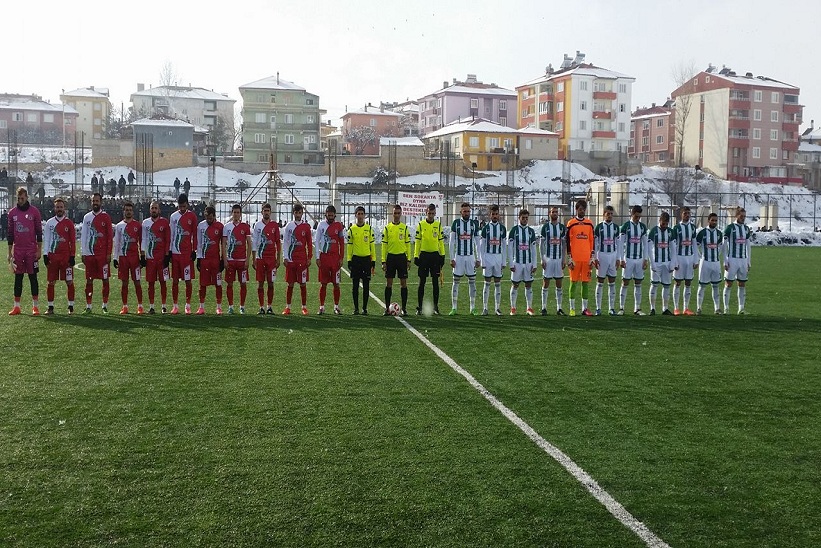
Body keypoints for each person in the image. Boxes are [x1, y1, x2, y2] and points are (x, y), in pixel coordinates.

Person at [7, 187, 43, 315]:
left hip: (31, 250)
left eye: (22, 198)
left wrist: (39, 250)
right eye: (18, 198)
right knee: (18, 277)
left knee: (33, 277)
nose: (20, 200)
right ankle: (17, 306)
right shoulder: (12, 213)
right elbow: (10, 233)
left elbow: (39, 232)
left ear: (27, 197)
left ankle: (35, 306)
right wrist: (9, 252)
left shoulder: (34, 212)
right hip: (18, 250)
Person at [80, 192, 113, 313]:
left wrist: (109, 253)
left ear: (101, 202)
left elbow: (110, 236)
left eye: (97, 201)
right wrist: (83, 252)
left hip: (102, 255)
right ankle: (89, 306)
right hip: (89, 254)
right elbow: (83, 236)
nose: (95, 203)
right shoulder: (87, 217)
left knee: (105, 280)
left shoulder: (106, 217)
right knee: (89, 280)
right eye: (93, 201)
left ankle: (104, 305)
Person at [43, 198, 76, 314]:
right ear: (54, 208)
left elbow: (72, 241)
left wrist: (72, 256)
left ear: (64, 208)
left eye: (61, 207)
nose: (59, 209)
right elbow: (46, 239)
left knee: (69, 281)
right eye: (57, 207)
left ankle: (71, 307)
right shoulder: (49, 223)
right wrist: (45, 254)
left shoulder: (69, 223)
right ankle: (50, 307)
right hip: (53, 257)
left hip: (66, 257)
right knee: (51, 282)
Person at [448, 202, 481, 315]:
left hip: (470, 257)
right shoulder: (456, 223)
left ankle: (472, 308)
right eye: (464, 211)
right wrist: (452, 258)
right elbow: (451, 242)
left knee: (472, 282)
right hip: (459, 257)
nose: (467, 213)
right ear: (460, 212)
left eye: (468, 211)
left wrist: (478, 258)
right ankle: (454, 308)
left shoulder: (474, 224)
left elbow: (477, 243)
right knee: (455, 282)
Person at [168, 193, 198, 315]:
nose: (182, 208)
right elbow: (171, 234)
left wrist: (194, 250)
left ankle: (188, 305)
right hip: (175, 253)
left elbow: (195, 235)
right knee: (175, 280)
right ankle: (175, 305)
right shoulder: (173, 216)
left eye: (184, 206)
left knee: (188, 280)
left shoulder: (192, 216)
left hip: (187, 254)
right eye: (180, 206)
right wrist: (169, 251)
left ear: (187, 204)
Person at [113, 201, 144, 314]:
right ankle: (125, 306)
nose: (128, 212)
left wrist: (142, 256)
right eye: (126, 210)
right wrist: (115, 258)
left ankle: (140, 306)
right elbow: (116, 243)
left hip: (134, 258)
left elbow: (141, 242)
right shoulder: (119, 226)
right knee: (124, 283)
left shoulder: (137, 226)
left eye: (130, 210)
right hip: (123, 258)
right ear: (123, 211)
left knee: (137, 282)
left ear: (133, 212)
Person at [414, 203, 445, 315]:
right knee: (422, 281)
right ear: (426, 212)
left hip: (435, 257)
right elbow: (417, 241)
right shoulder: (421, 225)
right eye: (429, 213)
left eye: (432, 213)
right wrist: (416, 255)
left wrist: (443, 255)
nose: (431, 215)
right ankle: (420, 307)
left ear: (435, 213)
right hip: (424, 256)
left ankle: (435, 307)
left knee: (435, 282)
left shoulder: (438, 225)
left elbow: (441, 241)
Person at [380, 204, 411, 316]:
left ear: (401, 214)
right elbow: (384, 245)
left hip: (402, 258)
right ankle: (387, 309)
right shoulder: (388, 228)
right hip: (391, 258)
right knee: (389, 283)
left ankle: (404, 309)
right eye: (395, 213)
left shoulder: (405, 228)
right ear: (392, 214)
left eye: (398, 213)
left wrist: (409, 259)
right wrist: (383, 261)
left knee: (403, 283)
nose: (397, 215)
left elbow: (408, 244)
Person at [282, 203, 313, 315]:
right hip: (291, 259)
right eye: (296, 212)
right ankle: (288, 307)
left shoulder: (306, 227)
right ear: (293, 213)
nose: (298, 214)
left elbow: (309, 243)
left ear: (302, 213)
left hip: (302, 260)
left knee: (302, 284)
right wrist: (285, 257)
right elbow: (285, 242)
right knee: (290, 284)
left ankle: (304, 307)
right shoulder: (289, 226)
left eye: (299, 213)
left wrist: (309, 257)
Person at [565, 200, 595, 316]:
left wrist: (592, 257)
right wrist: (569, 257)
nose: (582, 211)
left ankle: (585, 308)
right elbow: (568, 241)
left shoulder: (589, 223)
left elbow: (592, 241)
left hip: (586, 259)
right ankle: (572, 308)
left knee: (585, 283)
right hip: (575, 259)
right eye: (580, 209)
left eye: (583, 209)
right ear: (576, 209)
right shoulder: (571, 223)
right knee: (573, 283)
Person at [251, 202, 281, 315]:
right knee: (260, 283)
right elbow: (254, 242)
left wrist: (278, 258)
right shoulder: (258, 225)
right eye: (265, 211)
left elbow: (278, 242)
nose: (266, 212)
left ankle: (269, 306)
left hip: (271, 259)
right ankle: (261, 307)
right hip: (260, 258)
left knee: (271, 283)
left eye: (268, 211)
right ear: (261, 212)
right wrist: (253, 258)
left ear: (270, 212)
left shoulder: (275, 226)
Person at [619, 205, 649, 315]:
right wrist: (621, 259)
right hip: (628, 259)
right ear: (632, 214)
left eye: (639, 217)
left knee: (638, 283)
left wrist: (645, 259)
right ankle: (621, 308)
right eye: (636, 216)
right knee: (625, 282)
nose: (638, 219)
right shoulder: (626, 226)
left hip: (639, 259)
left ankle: (637, 308)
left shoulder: (642, 227)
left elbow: (645, 245)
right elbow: (621, 244)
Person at [141, 200, 170, 314]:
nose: (154, 210)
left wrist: (167, 255)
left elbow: (167, 240)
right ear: (150, 210)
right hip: (150, 257)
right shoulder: (145, 223)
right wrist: (142, 254)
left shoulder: (164, 222)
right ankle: (152, 306)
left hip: (162, 257)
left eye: (155, 208)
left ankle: (163, 306)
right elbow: (143, 239)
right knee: (151, 283)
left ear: (159, 210)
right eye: (152, 208)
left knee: (163, 282)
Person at [315, 204, 345, 315]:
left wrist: (341, 257)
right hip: (324, 258)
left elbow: (342, 243)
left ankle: (336, 306)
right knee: (323, 284)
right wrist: (318, 257)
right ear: (326, 214)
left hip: (335, 258)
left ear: (334, 215)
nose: (330, 216)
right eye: (329, 214)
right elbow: (316, 241)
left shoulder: (339, 226)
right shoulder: (321, 225)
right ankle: (321, 307)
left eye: (332, 215)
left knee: (336, 284)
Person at [222, 203, 251, 314]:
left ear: (240, 214)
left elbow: (249, 244)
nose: (236, 214)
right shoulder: (227, 227)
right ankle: (230, 306)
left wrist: (247, 259)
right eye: (234, 212)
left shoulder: (245, 227)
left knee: (243, 283)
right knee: (229, 283)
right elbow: (223, 244)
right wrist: (225, 259)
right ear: (232, 213)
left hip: (242, 260)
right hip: (230, 260)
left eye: (238, 212)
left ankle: (242, 307)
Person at [478, 204, 506, 316]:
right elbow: (481, 245)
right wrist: (482, 260)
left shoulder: (502, 228)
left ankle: (497, 308)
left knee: (498, 283)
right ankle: (485, 308)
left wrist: (504, 261)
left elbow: (504, 246)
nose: (495, 216)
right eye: (493, 214)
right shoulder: (486, 228)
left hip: (498, 257)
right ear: (489, 215)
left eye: (496, 214)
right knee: (487, 283)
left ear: (499, 215)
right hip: (488, 257)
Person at [508, 208, 537, 315]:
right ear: (519, 218)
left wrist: (534, 264)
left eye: (526, 218)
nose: (525, 220)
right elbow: (510, 248)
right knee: (515, 285)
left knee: (528, 285)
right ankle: (513, 308)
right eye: (523, 218)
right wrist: (511, 263)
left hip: (528, 263)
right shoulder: (514, 230)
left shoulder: (531, 231)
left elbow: (533, 249)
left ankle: (529, 308)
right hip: (517, 263)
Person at [347, 205, 376, 315]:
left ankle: (364, 308)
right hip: (356, 260)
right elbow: (349, 246)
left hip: (366, 260)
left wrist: (373, 260)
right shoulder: (351, 230)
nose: (360, 216)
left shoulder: (368, 229)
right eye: (358, 214)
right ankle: (356, 308)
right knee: (355, 285)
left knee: (366, 285)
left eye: (362, 214)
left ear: (364, 215)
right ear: (355, 215)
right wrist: (349, 260)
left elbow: (372, 245)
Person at [195, 206, 224, 315]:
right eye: (207, 218)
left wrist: (222, 259)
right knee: (202, 284)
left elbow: (223, 243)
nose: (209, 220)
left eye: (211, 218)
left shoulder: (220, 226)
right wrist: (198, 258)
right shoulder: (201, 226)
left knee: (218, 283)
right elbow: (199, 243)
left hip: (216, 260)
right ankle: (201, 307)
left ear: (214, 216)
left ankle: (219, 307)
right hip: (204, 260)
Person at [671, 206, 699, 315]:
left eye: (688, 213)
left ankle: (686, 308)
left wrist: (696, 259)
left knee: (688, 282)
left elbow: (694, 244)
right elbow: (673, 245)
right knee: (677, 282)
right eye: (685, 213)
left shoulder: (692, 228)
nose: (687, 215)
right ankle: (676, 308)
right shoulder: (676, 228)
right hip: (679, 257)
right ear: (681, 215)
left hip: (690, 257)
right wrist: (675, 261)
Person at [723, 206, 752, 314]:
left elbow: (748, 245)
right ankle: (726, 308)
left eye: (744, 216)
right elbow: (724, 245)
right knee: (728, 283)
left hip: (743, 260)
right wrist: (725, 260)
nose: (743, 218)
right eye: (741, 216)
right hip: (732, 259)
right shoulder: (730, 228)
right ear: (736, 216)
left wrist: (749, 260)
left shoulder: (746, 229)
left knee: (742, 284)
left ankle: (741, 308)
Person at [593, 205, 621, 316]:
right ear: (604, 214)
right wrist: (595, 258)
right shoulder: (599, 227)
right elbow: (595, 244)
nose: (610, 216)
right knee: (600, 282)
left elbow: (618, 244)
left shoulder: (615, 227)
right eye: (608, 213)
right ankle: (598, 308)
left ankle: (611, 308)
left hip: (613, 256)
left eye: (611, 214)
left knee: (612, 282)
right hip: (602, 256)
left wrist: (618, 258)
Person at [540, 206, 567, 315]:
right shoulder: (545, 227)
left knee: (559, 283)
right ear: (549, 214)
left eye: (556, 212)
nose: (555, 213)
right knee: (546, 283)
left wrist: (564, 258)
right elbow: (541, 245)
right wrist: (542, 259)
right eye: (553, 212)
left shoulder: (561, 227)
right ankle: (544, 308)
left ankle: (559, 308)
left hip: (558, 259)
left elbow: (564, 244)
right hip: (549, 259)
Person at [696, 212, 724, 315]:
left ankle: (717, 308)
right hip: (705, 262)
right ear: (708, 221)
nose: (714, 222)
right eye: (712, 220)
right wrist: (700, 257)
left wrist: (717, 255)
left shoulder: (719, 233)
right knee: (702, 286)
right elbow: (696, 246)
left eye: (716, 220)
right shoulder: (702, 233)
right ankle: (699, 308)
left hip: (716, 263)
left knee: (716, 286)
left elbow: (721, 247)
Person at [647, 211, 675, 315]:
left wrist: (673, 262)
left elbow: (673, 248)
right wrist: (652, 262)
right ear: (660, 220)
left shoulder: (670, 232)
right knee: (654, 284)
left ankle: (665, 308)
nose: (665, 226)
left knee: (667, 285)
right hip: (656, 262)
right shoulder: (653, 231)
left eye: (667, 224)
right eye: (663, 223)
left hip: (667, 263)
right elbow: (649, 248)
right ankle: (652, 308)